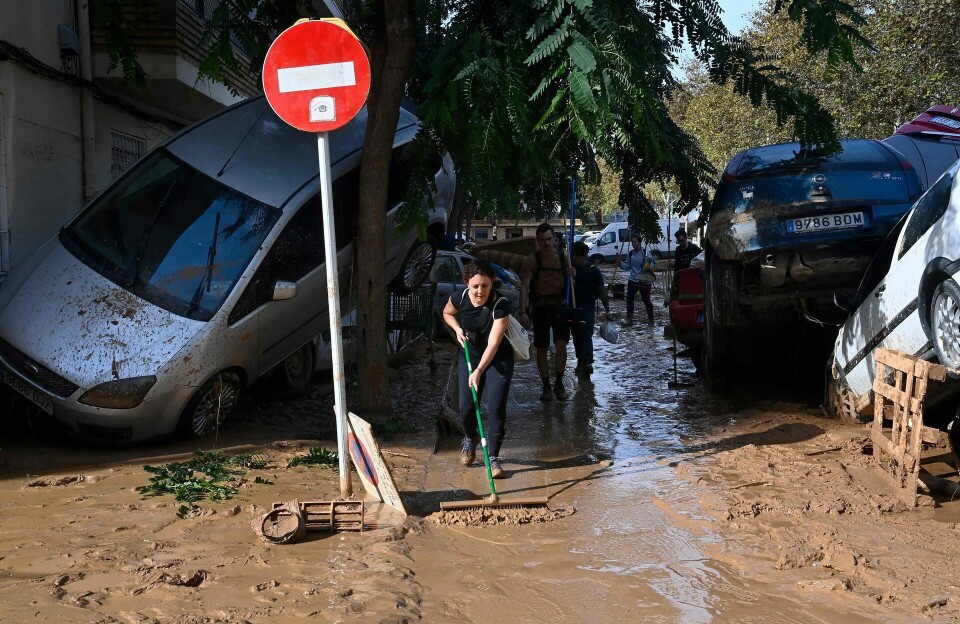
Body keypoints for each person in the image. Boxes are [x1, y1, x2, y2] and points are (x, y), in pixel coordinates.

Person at [443, 260, 514, 479]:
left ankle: (493, 458)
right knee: (466, 407)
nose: (480, 291)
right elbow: (447, 313)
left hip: (497, 359)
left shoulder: (500, 304)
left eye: (485, 285)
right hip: (469, 355)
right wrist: (457, 329)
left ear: (492, 282)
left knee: (495, 406)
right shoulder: (460, 297)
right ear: (467, 283)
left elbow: (493, 343)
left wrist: (479, 370)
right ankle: (470, 437)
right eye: (475, 286)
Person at [519, 222, 573, 401]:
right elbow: (524, 286)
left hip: (560, 307)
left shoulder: (564, 257)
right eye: (542, 240)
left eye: (549, 239)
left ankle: (559, 383)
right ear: (538, 241)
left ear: (554, 239)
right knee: (541, 348)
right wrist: (523, 312)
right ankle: (546, 386)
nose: (547, 243)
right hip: (540, 308)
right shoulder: (532, 260)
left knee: (561, 345)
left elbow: (572, 284)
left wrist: (573, 275)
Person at [570, 241, 611, 380]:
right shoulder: (570, 269)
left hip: (588, 309)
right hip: (573, 309)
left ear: (585, 256)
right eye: (574, 255)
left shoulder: (593, 271)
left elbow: (602, 291)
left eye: (578, 255)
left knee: (586, 335)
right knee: (576, 337)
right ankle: (580, 361)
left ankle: (587, 363)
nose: (575, 258)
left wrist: (607, 310)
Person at [619, 234, 656, 326]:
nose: (633, 244)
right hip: (633, 279)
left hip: (644, 280)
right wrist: (620, 263)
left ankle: (651, 320)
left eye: (635, 242)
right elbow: (627, 266)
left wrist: (648, 261)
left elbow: (652, 267)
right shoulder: (631, 253)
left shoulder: (646, 253)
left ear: (639, 242)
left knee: (646, 300)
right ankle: (629, 320)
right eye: (632, 242)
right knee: (629, 299)